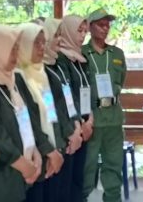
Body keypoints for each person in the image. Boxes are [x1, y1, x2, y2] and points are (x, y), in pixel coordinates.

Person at [0, 25, 52, 202]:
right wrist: (24, 165)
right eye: (11, 50)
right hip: (0, 178)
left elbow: (26, 119)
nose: (16, 55)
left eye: (17, 49)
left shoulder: (11, 80)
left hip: (21, 171)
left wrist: (35, 151)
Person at [15, 23, 65, 202]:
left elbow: (51, 112)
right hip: (34, 155)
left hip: (51, 151)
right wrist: (48, 150)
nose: (42, 47)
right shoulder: (17, 77)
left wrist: (56, 147)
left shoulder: (41, 74)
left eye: (44, 42)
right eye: (36, 42)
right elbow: (30, 119)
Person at [82, 8, 127, 202]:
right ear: (90, 27)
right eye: (101, 25)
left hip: (113, 118)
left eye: (108, 25)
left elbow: (121, 80)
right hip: (92, 118)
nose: (105, 28)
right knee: (87, 167)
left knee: (114, 165)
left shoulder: (117, 53)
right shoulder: (81, 53)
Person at [43, 17, 83, 201]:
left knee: (69, 189)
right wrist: (70, 132)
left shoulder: (57, 65)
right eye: (55, 35)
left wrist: (77, 126)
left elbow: (68, 100)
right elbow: (50, 110)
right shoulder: (40, 72)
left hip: (69, 134)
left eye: (60, 35)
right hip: (56, 140)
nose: (59, 39)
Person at [57, 15, 94, 202]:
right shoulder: (61, 60)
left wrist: (90, 120)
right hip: (72, 127)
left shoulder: (80, 58)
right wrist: (80, 123)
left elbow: (87, 90)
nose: (82, 35)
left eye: (84, 31)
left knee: (80, 177)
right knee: (67, 182)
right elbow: (67, 95)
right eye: (79, 31)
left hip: (85, 124)